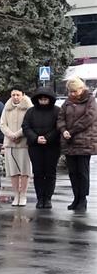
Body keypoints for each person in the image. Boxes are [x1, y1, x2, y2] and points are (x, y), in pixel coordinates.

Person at [58, 76, 97, 212]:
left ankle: (82, 199)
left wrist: (72, 131)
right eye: (70, 91)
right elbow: (61, 117)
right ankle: (76, 197)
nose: (72, 94)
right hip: (69, 142)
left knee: (82, 172)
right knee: (73, 172)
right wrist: (63, 130)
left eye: (74, 91)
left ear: (81, 89)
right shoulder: (67, 102)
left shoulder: (90, 100)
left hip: (85, 141)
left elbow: (89, 118)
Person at [22, 87, 60, 209]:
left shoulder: (57, 111)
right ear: (37, 100)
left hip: (52, 146)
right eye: (41, 99)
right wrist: (35, 138)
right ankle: (40, 198)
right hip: (35, 146)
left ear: (50, 99)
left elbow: (58, 127)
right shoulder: (31, 112)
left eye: (45, 99)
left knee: (50, 172)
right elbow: (26, 127)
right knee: (38, 172)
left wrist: (48, 138)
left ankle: (48, 198)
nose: (43, 101)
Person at [0, 88, 33, 206]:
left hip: (24, 143)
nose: (15, 97)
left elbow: (29, 124)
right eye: (13, 95)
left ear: (23, 95)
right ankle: (16, 195)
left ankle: (23, 194)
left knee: (25, 171)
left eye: (18, 94)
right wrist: (10, 135)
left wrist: (17, 134)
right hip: (10, 143)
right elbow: (2, 124)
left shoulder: (29, 107)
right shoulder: (7, 107)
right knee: (13, 171)